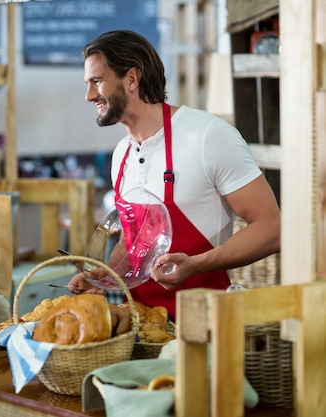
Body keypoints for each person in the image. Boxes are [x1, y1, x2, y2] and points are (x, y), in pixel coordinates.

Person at [67, 30, 281, 320]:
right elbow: (136, 241)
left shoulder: (208, 135)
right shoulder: (122, 154)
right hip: (142, 328)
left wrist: (195, 264)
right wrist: (105, 276)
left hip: (206, 325)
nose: (89, 95)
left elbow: (271, 227)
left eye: (97, 81)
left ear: (132, 79)